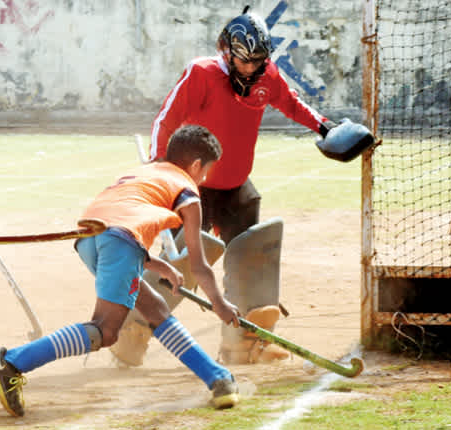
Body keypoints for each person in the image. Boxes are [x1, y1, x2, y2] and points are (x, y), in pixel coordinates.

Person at [115, 7, 340, 367]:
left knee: (253, 257)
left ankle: (245, 342)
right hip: (192, 188)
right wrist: (161, 167)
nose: (250, 68)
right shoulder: (201, 73)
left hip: (236, 185)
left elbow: (291, 104)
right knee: (181, 265)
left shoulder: (269, 77)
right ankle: (131, 333)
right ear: (226, 51)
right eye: (243, 60)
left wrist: (325, 127)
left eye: (257, 61)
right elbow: (165, 120)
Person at [0, 125, 242, 417]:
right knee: (105, 331)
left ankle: (216, 377)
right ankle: (13, 361)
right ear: (195, 165)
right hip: (119, 241)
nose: (204, 179)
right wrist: (220, 303)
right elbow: (199, 265)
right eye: (205, 172)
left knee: (154, 307)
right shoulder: (188, 192)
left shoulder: (147, 172)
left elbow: (119, 218)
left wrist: (155, 263)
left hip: (88, 236)